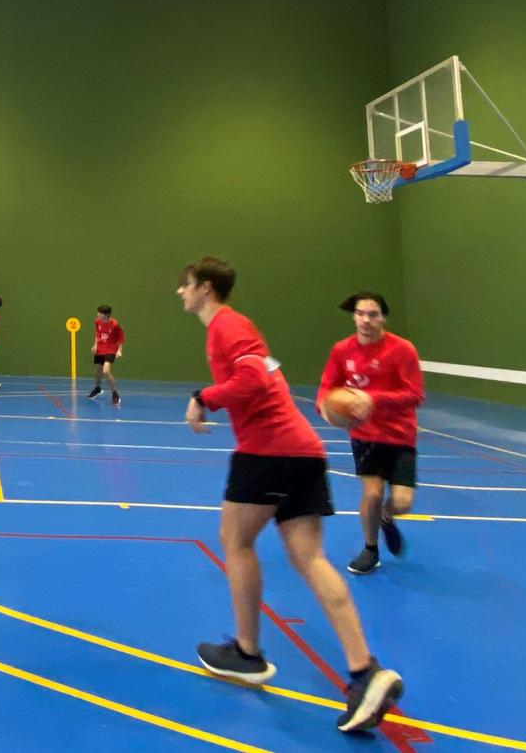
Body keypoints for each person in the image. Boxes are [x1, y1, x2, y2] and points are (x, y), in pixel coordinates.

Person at [178, 256, 403, 734]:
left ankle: (247, 653)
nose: (181, 292)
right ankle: (366, 672)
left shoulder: (225, 326)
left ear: (205, 288)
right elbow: (264, 373)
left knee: (235, 542)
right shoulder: (239, 328)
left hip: (268, 452)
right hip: (304, 451)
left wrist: (204, 397)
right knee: (310, 558)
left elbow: (254, 379)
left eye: (186, 285)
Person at [318, 291, 425, 575]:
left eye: (373, 314)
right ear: (354, 316)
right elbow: (327, 387)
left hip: (400, 434)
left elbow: (415, 394)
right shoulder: (342, 350)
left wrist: (373, 399)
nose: (366, 320)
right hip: (364, 435)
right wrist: (326, 410)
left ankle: (388, 518)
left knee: (402, 502)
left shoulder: (402, 350)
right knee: (372, 494)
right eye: (360, 314)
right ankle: (370, 549)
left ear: (383, 317)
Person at [86, 304, 125, 406]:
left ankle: (115, 394)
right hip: (100, 348)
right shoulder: (97, 321)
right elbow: (97, 333)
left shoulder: (114, 324)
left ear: (106, 315)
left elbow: (120, 338)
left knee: (106, 370)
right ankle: (97, 388)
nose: (98, 314)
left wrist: (119, 350)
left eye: (100, 313)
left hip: (111, 349)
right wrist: (95, 345)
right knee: (98, 370)